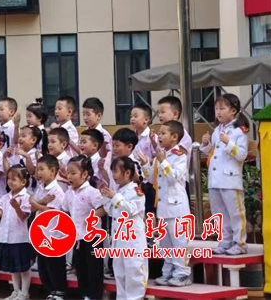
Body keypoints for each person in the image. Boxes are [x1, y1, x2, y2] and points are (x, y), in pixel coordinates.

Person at [140, 120, 192, 287]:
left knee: (179, 242)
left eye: (163, 133)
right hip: (163, 207)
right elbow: (151, 179)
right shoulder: (161, 155)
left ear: (174, 137)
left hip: (177, 207)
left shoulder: (179, 155)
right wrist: (145, 164)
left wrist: (162, 161)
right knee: (165, 243)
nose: (159, 136)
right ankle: (167, 272)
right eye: (159, 133)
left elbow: (173, 177)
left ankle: (182, 273)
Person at [200, 93, 249, 255]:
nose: (218, 112)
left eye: (222, 108)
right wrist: (206, 144)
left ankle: (240, 243)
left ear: (233, 111)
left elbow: (242, 154)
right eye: (216, 108)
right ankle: (225, 241)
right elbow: (213, 152)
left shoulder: (239, 131)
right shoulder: (217, 130)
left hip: (230, 179)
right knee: (219, 213)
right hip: (215, 179)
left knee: (235, 213)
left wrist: (229, 143)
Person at [0, 165, 33, 300]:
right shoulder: (5, 197)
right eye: (8, 178)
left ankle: (24, 293)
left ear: (23, 182)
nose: (10, 182)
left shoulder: (27, 197)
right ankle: (16, 291)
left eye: (14, 179)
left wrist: (17, 207)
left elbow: (23, 216)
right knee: (13, 267)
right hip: (7, 237)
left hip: (20, 238)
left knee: (23, 267)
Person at [100, 157, 148, 300]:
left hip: (132, 240)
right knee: (120, 273)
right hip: (119, 239)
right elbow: (111, 211)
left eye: (116, 171)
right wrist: (106, 197)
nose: (113, 175)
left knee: (134, 272)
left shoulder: (136, 191)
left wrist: (115, 197)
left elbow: (130, 209)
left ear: (127, 173)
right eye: (112, 171)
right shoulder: (118, 191)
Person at [64, 155, 106, 300]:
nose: (69, 176)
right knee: (80, 268)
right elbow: (65, 210)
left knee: (94, 268)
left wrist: (91, 218)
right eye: (68, 173)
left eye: (73, 173)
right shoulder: (68, 193)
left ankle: (95, 296)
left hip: (93, 237)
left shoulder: (92, 192)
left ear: (84, 174)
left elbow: (103, 208)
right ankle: (85, 294)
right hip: (77, 237)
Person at [30, 155, 67, 300]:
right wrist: (41, 202)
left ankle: (59, 291)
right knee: (43, 266)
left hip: (54, 236)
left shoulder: (57, 191)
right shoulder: (40, 188)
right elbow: (31, 207)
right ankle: (51, 290)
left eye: (41, 169)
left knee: (55, 265)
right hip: (41, 233)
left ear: (52, 171)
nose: (38, 173)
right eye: (37, 169)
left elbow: (52, 212)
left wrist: (38, 204)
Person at [156, 96, 194, 169]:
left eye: (163, 112)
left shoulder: (184, 136)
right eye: (158, 113)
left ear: (175, 114)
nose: (160, 115)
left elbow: (180, 159)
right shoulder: (160, 135)